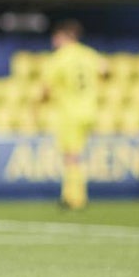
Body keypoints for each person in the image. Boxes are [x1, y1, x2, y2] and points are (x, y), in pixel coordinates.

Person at [38, 19, 106, 210]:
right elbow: (106, 69)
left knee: (70, 156)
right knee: (76, 155)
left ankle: (74, 198)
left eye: (56, 37)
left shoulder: (59, 58)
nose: (54, 41)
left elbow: (45, 88)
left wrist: (38, 105)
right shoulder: (88, 54)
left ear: (65, 37)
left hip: (70, 112)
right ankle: (74, 195)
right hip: (90, 111)